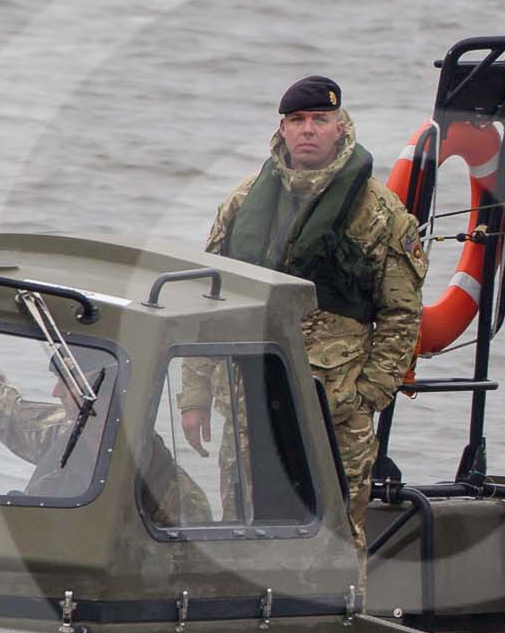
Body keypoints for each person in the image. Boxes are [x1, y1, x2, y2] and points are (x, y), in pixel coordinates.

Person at [179, 75, 426, 550]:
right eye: (298, 120)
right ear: (283, 129)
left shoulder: (379, 213)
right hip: (247, 401)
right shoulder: (243, 203)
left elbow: (401, 313)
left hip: (334, 407)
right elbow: (206, 301)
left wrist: (366, 395)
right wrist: (195, 393)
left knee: (335, 538)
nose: (308, 129)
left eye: (320, 119)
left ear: (340, 127)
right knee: (241, 529)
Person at [0, 330, 211, 526]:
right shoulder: (62, 431)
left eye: (68, 382)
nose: (56, 392)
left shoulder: (177, 495)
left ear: (105, 392)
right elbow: (5, 411)